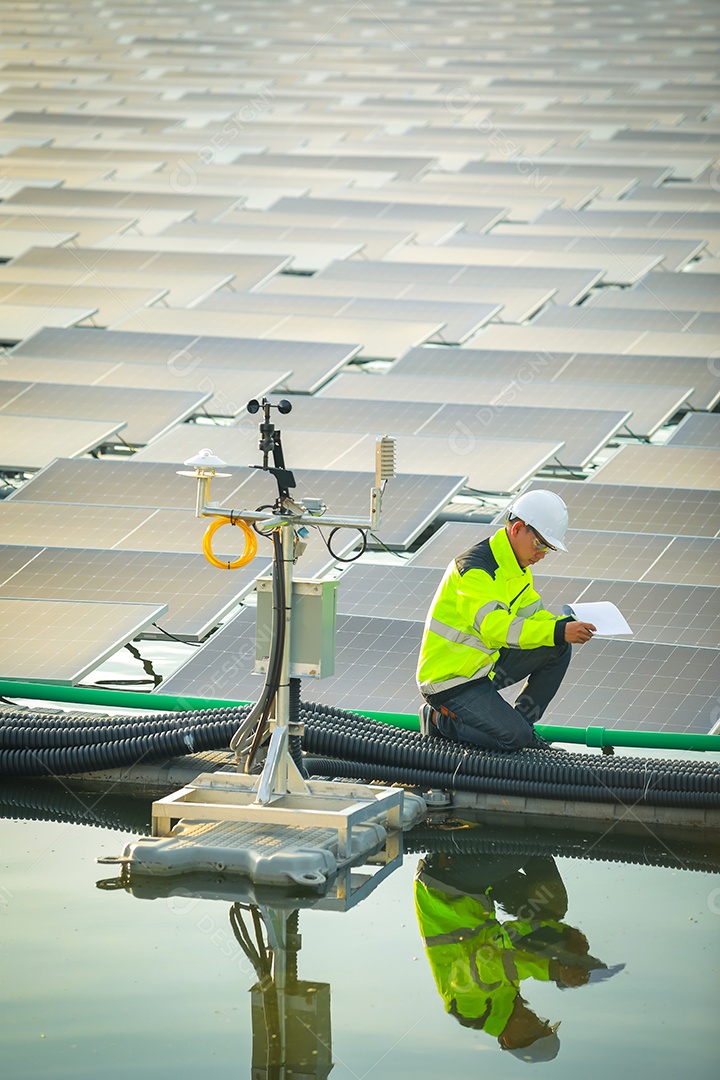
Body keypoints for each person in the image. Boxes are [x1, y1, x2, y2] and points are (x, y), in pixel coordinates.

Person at [416, 490, 596, 751]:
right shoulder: (474, 570)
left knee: (557, 647)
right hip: (450, 681)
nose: (543, 554)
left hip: (484, 668)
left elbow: (534, 616)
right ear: (518, 528)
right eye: (541, 544)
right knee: (513, 738)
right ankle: (439, 721)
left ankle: (522, 724)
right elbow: (496, 628)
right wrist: (559, 630)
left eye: (549, 548)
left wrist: (568, 623)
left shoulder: (517, 568)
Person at [414, 848, 612, 1063]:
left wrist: (554, 970)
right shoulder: (508, 993)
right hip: (474, 890)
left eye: (530, 1033)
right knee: (552, 905)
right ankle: (540, 835)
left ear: (508, 1040)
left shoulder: (471, 1012)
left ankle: (529, 836)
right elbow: (509, 934)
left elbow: (491, 964)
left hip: (446, 884)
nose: (534, 1022)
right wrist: (561, 932)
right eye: (542, 1026)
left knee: (516, 848)